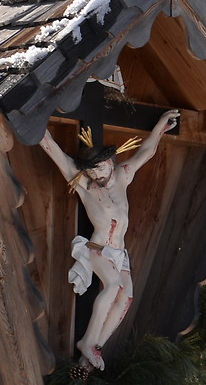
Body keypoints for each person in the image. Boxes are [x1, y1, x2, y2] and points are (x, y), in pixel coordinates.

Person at [38, 109, 182, 369]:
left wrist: (161, 125)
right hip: (99, 248)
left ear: (110, 162)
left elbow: (146, 152)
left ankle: (95, 347)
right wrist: (36, 122)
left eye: (100, 168)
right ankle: (87, 340)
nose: (96, 174)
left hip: (120, 253)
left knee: (126, 297)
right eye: (91, 171)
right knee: (113, 286)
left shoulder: (123, 176)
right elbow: (53, 150)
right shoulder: (84, 184)